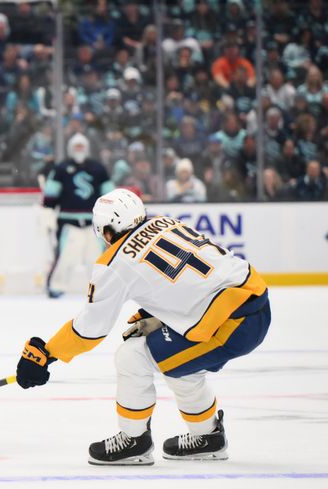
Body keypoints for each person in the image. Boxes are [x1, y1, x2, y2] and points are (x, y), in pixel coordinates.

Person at [15, 189, 271, 465]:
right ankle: (207, 436)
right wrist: (160, 316)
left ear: (107, 229)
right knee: (175, 361)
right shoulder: (167, 222)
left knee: (133, 355)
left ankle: (134, 440)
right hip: (255, 299)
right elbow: (195, 279)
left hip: (231, 324)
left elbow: (90, 329)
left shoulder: (113, 263)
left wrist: (47, 353)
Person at [42, 133, 113, 298]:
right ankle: (55, 287)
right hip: (68, 221)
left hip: (93, 223)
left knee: (96, 260)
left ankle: (100, 289)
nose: (79, 150)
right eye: (76, 146)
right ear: (70, 149)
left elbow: (109, 195)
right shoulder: (61, 168)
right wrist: (48, 208)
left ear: (86, 148)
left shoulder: (98, 168)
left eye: (81, 146)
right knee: (65, 259)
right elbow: (50, 197)